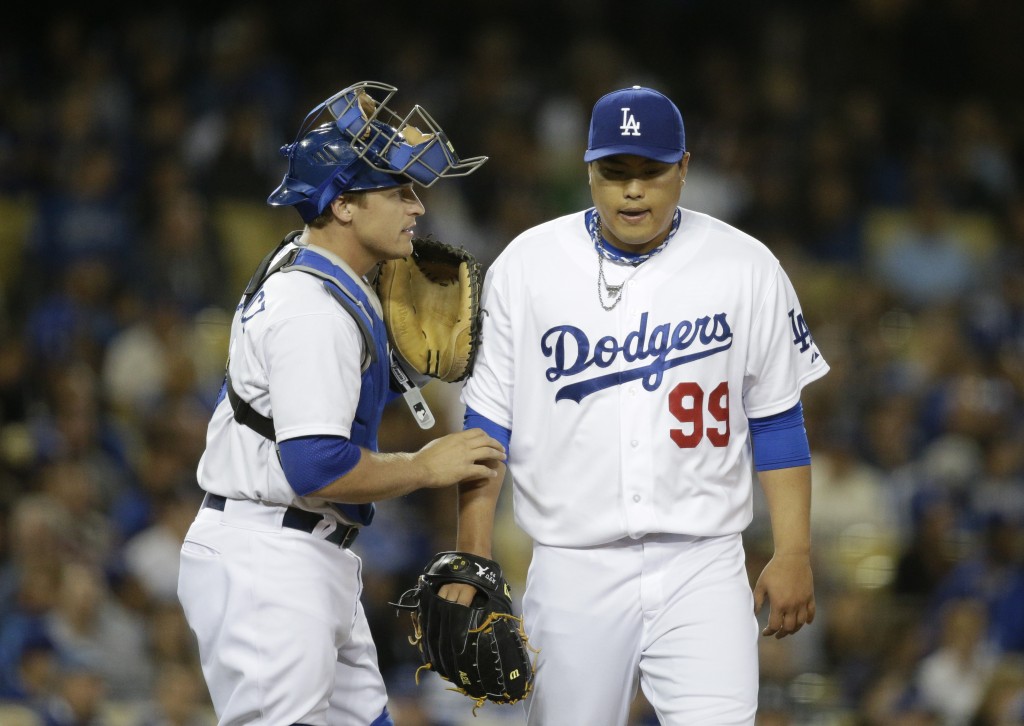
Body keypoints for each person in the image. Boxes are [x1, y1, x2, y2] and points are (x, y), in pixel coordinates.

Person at [447, 85, 830, 724]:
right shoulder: (528, 265)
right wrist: (473, 553)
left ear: (683, 168)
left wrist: (793, 550)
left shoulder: (746, 267)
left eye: (650, 171)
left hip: (702, 563)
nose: (632, 190)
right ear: (587, 171)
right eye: (614, 172)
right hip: (574, 567)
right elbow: (487, 424)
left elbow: (778, 419)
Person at [176, 81, 506, 726]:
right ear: (344, 205)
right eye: (398, 192)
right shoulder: (314, 312)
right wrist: (425, 465)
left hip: (299, 550)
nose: (417, 207)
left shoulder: (312, 271)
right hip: (269, 559)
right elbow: (318, 466)